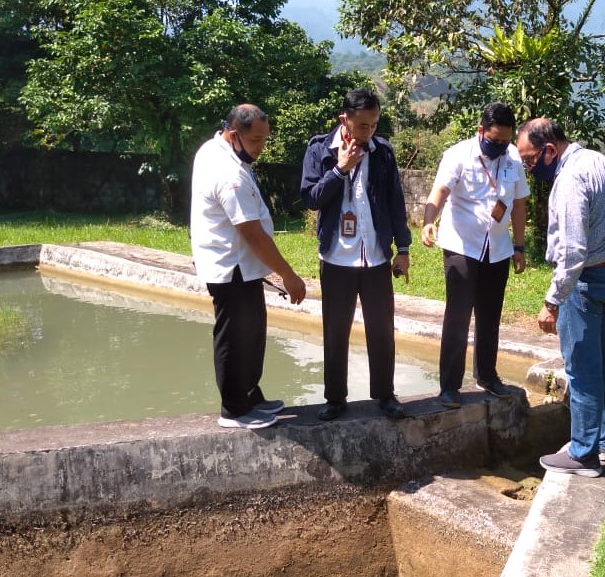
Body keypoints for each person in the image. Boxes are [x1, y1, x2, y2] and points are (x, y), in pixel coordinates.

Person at [190, 104, 307, 430]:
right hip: (231, 267)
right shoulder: (229, 174)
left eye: (264, 140)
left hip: (241, 266)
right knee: (234, 337)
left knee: (252, 333)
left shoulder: (215, 150)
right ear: (233, 134)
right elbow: (252, 233)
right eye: (255, 140)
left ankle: (251, 395)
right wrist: (288, 275)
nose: (261, 148)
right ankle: (234, 409)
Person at [516, 117, 605, 478]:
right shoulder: (598, 161)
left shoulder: (570, 178)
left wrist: (552, 301)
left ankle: (583, 455)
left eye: (530, 161)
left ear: (549, 150)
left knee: (581, 371)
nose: (530, 169)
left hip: (582, 284)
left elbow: (573, 250)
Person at [300, 88, 412, 421]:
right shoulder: (319, 150)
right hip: (337, 259)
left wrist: (403, 248)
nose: (369, 132)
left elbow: (395, 203)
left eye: (374, 124)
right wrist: (339, 170)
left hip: (376, 258)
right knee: (335, 331)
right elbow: (311, 198)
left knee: (382, 330)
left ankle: (385, 395)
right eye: (362, 125)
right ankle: (335, 398)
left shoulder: (383, 153)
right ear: (344, 119)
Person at [421, 102, 529, 409]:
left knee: (490, 315)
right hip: (462, 247)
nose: (499, 147)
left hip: (498, 249)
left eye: (504, 142)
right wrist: (429, 220)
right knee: (457, 316)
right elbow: (439, 192)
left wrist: (519, 246)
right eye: (493, 141)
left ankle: (487, 376)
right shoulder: (458, 155)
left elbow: (519, 204)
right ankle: (450, 387)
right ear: (480, 130)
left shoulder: (512, 159)